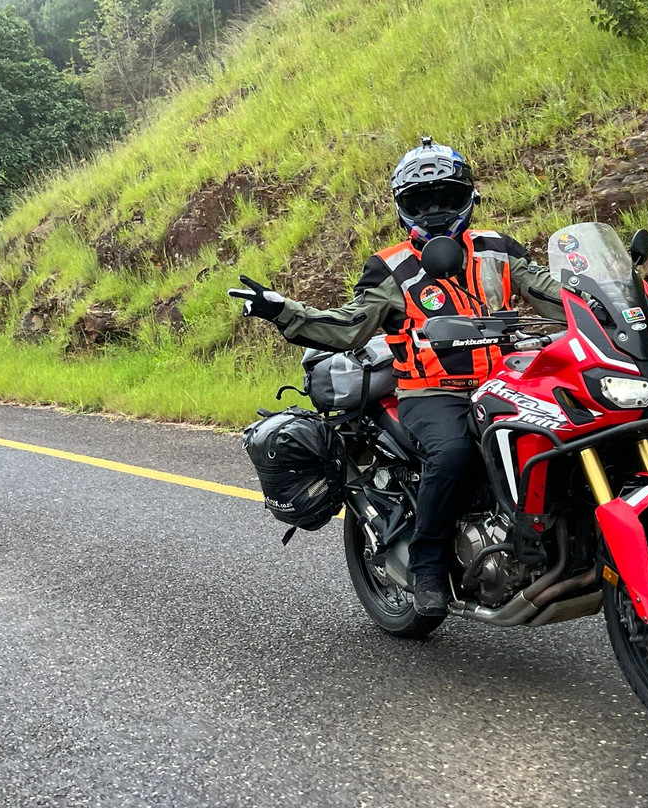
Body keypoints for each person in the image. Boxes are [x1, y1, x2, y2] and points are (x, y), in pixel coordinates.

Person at [229, 137, 566, 616]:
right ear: (402, 208)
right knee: (453, 454)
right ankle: (428, 565)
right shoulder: (391, 268)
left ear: (467, 197)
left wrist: (612, 303)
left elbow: (550, 291)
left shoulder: (496, 249)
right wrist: (283, 311)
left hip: (503, 380)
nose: (432, 212)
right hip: (432, 392)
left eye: (444, 198)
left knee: (560, 431)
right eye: (419, 202)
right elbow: (349, 327)